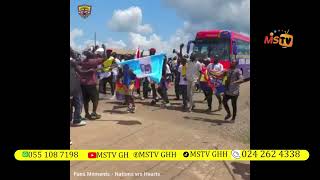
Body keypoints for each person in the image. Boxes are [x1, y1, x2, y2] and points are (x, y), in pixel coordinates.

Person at [79, 51, 103, 120]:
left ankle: (87, 114)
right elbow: (105, 58)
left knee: (85, 100)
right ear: (90, 55)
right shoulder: (93, 61)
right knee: (95, 98)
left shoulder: (83, 61)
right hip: (91, 84)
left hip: (82, 84)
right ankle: (94, 113)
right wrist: (104, 50)